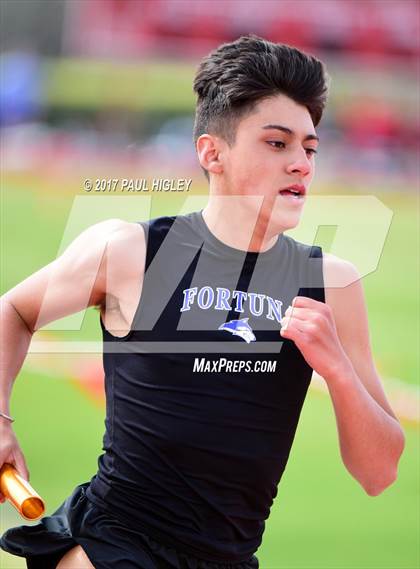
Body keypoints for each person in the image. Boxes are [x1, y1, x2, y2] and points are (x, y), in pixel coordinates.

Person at [0, 35, 405, 569]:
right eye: (277, 144)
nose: (302, 164)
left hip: (229, 558)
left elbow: (379, 474)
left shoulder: (332, 283)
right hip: (115, 544)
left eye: (309, 148)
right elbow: (14, 310)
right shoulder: (131, 251)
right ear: (212, 153)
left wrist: (338, 371)